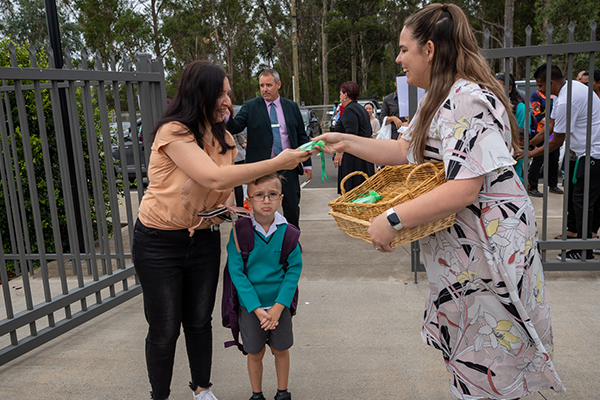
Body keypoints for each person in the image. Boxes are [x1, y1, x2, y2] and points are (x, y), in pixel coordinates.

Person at [314, 4, 565, 399]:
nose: (398, 59)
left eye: (403, 49)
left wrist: (392, 218)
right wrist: (343, 140)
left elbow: (464, 188)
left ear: (429, 49)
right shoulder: (440, 96)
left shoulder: (466, 98)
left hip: (489, 253)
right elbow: (402, 150)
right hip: (467, 256)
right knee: (475, 361)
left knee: (490, 366)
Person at [131, 61, 311, 400]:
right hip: (159, 241)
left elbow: (224, 185)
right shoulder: (173, 133)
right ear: (203, 95)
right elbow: (211, 176)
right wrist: (278, 161)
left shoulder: (224, 138)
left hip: (202, 238)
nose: (229, 101)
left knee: (199, 319)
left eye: (228, 94)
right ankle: (160, 395)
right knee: (165, 326)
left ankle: (202, 389)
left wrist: (231, 206)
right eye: (223, 94)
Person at [226, 173, 302, 400]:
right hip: (251, 308)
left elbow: (293, 271)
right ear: (248, 201)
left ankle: (282, 392)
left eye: (272, 195)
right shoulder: (240, 232)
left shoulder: (288, 233)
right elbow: (237, 273)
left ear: (281, 198)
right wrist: (257, 309)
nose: (266, 201)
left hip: (279, 305)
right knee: (255, 352)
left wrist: (278, 307)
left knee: (280, 349)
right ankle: (256, 394)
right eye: (259, 196)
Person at [527, 64, 600, 260]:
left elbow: (556, 141)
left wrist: (529, 155)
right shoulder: (566, 92)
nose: (539, 91)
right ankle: (580, 235)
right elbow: (550, 126)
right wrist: (529, 144)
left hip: (592, 154)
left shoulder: (568, 100)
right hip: (582, 153)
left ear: (551, 83)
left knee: (582, 201)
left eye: (541, 86)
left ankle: (583, 251)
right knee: (577, 197)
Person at [227, 69, 312, 229]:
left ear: (278, 85)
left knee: (292, 206)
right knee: (260, 207)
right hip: (261, 168)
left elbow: (301, 136)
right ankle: (261, 239)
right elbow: (235, 126)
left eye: (268, 85)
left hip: (288, 166)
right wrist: (225, 115)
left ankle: (292, 241)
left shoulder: (291, 107)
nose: (264, 89)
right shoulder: (251, 106)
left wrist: (307, 163)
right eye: (261, 86)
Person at [330, 81, 375, 194]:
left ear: (345, 95)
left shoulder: (350, 110)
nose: (340, 97)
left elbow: (350, 135)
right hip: (364, 155)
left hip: (354, 159)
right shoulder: (361, 110)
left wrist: (340, 152)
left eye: (340, 94)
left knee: (353, 192)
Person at [527, 83, 563, 197]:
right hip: (541, 133)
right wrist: (552, 125)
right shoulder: (536, 96)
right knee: (538, 159)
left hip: (553, 132)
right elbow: (537, 115)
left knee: (554, 158)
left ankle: (553, 185)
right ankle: (532, 186)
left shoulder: (556, 96)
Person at [494, 72, 529, 184]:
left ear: (509, 89)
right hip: (497, 155)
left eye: (498, 86)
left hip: (514, 156)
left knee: (515, 181)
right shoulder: (493, 105)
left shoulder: (520, 107)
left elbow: (523, 136)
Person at [379, 73, 409, 139]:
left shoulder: (412, 98)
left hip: (409, 135)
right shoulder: (388, 99)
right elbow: (381, 119)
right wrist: (393, 118)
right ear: (395, 84)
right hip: (393, 137)